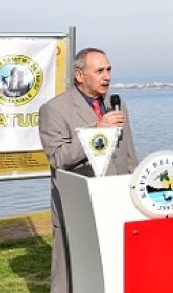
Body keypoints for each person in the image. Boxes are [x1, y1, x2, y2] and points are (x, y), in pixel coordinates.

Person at [38, 47, 139, 293]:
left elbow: (128, 154)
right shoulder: (54, 110)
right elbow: (58, 158)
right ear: (79, 75)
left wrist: (137, 188)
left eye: (109, 70)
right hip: (78, 203)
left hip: (116, 201)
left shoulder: (117, 105)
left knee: (114, 270)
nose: (107, 76)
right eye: (100, 71)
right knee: (70, 275)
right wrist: (97, 132)